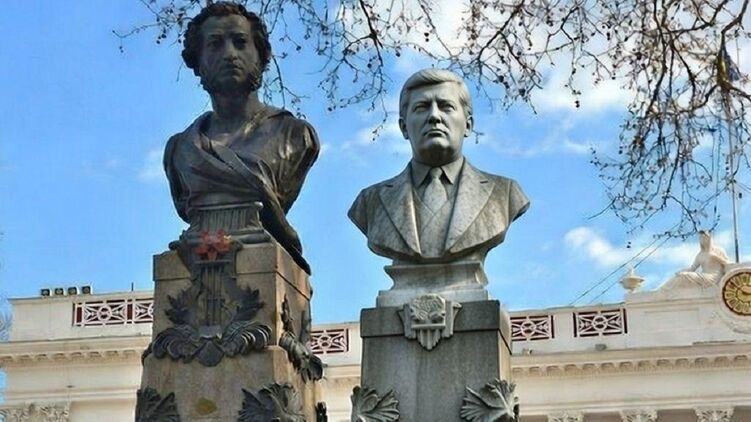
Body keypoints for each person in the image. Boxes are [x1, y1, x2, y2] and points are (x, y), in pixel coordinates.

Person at [163, 2, 319, 273]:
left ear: (261, 56)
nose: (229, 54)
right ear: (197, 62)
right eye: (215, 44)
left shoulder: (295, 136)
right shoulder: (180, 149)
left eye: (240, 42)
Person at [349, 69, 529, 265]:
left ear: (468, 125)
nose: (434, 116)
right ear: (404, 127)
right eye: (421, 108)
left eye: (446, 107)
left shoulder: (504, 193)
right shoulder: (371, 202)